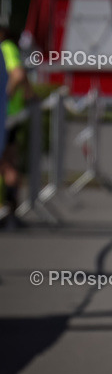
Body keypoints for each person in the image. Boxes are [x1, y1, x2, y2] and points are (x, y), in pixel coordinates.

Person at [1, 25, 35, 227]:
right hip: (10, 116)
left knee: (7, 163)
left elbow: (18, 74)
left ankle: (9, 211)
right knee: (10, 162)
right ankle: (11, 212)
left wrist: (7, 96)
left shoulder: (5, 48)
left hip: (6, 116)